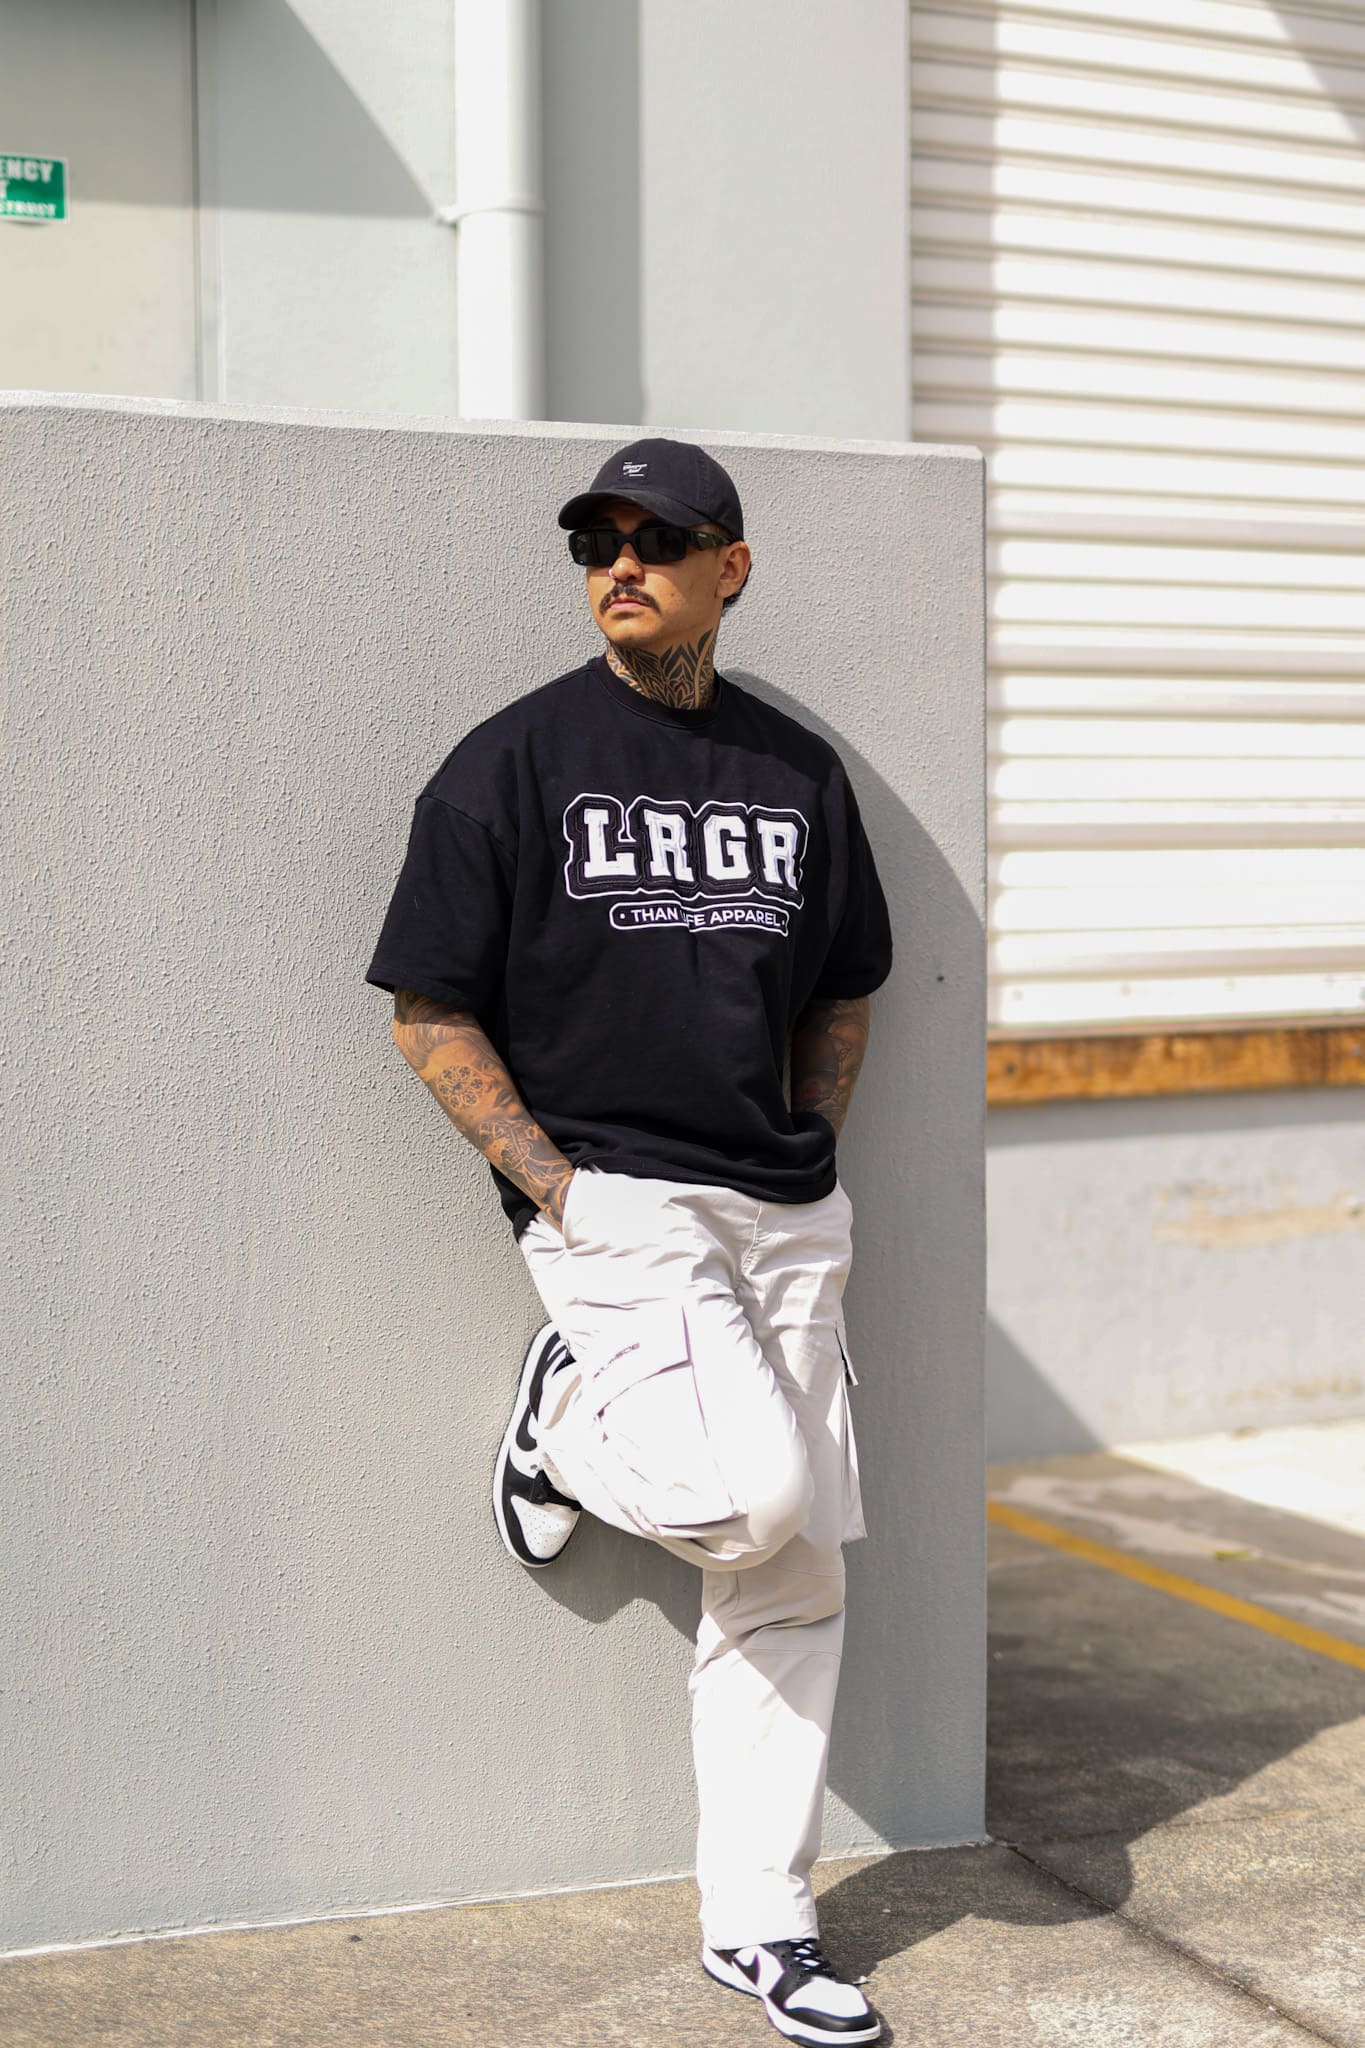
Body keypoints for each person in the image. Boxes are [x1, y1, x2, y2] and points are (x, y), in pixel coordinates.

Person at [366, 436, 892, 2046]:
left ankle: (763, 1925)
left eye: (657, 536)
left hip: (781, 1202)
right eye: (596, 535)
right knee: (758, 1497)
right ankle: (573, 1420)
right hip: (620, 1198)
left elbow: (845, 985)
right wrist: (562, 1193)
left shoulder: (796, 776)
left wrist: (807, 1158)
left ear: (728, 567)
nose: (620, 560)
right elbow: (427, 1008)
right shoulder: (508, 764)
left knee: (795, 1586)